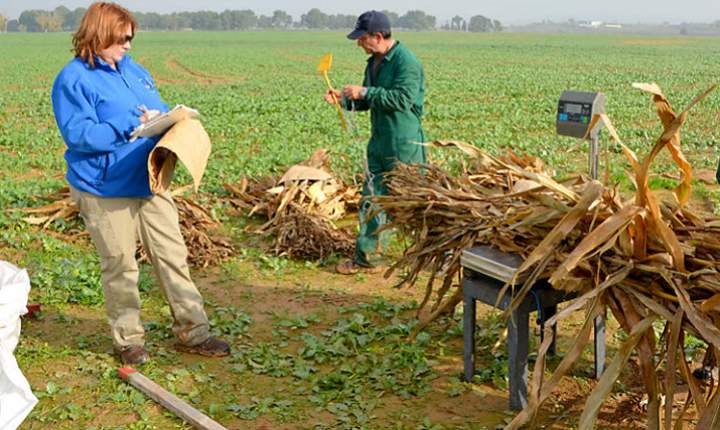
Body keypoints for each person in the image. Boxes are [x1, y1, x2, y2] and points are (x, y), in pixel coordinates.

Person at [51, 2, 229, 365]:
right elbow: (79, 133)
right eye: (122, 39)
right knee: (120, 264)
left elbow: (156, 108)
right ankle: (128, 340)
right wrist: (126, 129)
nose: (128, 45)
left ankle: (194, 332)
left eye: (131, 38)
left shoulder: (136, 71)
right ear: (99, 35)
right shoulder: (73, 79)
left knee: (173, 256)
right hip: (104, 188)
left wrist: (166, 120)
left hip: (149, 181)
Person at [324, 10, 427, 275]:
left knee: (415, 202)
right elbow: (369, 101)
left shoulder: (407, 62)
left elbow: (402, 100)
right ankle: (366, 258)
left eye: (362, 39)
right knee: (371, 199)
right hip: (379, 142)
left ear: (377, 36)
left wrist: (365, 91)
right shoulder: (373, 63)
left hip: (405, 144)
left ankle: (432, 252)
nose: (359, 44)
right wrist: (346, 100)